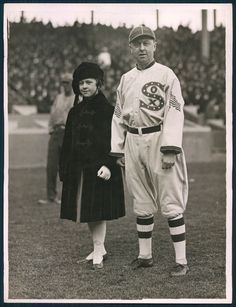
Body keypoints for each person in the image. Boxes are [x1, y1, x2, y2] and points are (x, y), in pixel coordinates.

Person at [110, 25, 189, 276]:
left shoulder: (167, 75)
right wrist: (118, 148)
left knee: (171, 199)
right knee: (141, 200)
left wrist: (170, 148)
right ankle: (145, 256)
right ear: (130, 48)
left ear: (155, 45)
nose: (142, 48)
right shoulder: (125, 78)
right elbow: (118, 115)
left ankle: (181, 261)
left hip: (159, 137)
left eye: (147, 43)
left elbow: (175, 111)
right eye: (137, 44)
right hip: (133, 139)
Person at [59, 62, 125, 269]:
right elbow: (67, 142)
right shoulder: (74, 112)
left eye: (88, 82)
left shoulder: (108, 110)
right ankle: (99, 248)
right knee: (86, 210)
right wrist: (65, 168)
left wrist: (109, 165)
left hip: (99, 168)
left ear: (98, 83)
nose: (84, 86)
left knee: (97, 210)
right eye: (80, 83)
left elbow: (114, 141)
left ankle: (99, 248)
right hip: (78, 170)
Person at [38, 73, 74, 205]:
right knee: (51, 166)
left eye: (68, 82)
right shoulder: (58, 98)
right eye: (63, 82)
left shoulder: (77, 98)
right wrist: (50, 127)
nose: (65, 85)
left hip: (69, 134)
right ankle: (51, 196)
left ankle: (70, 196)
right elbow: (53, 113)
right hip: (56, 133)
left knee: (68, 167)